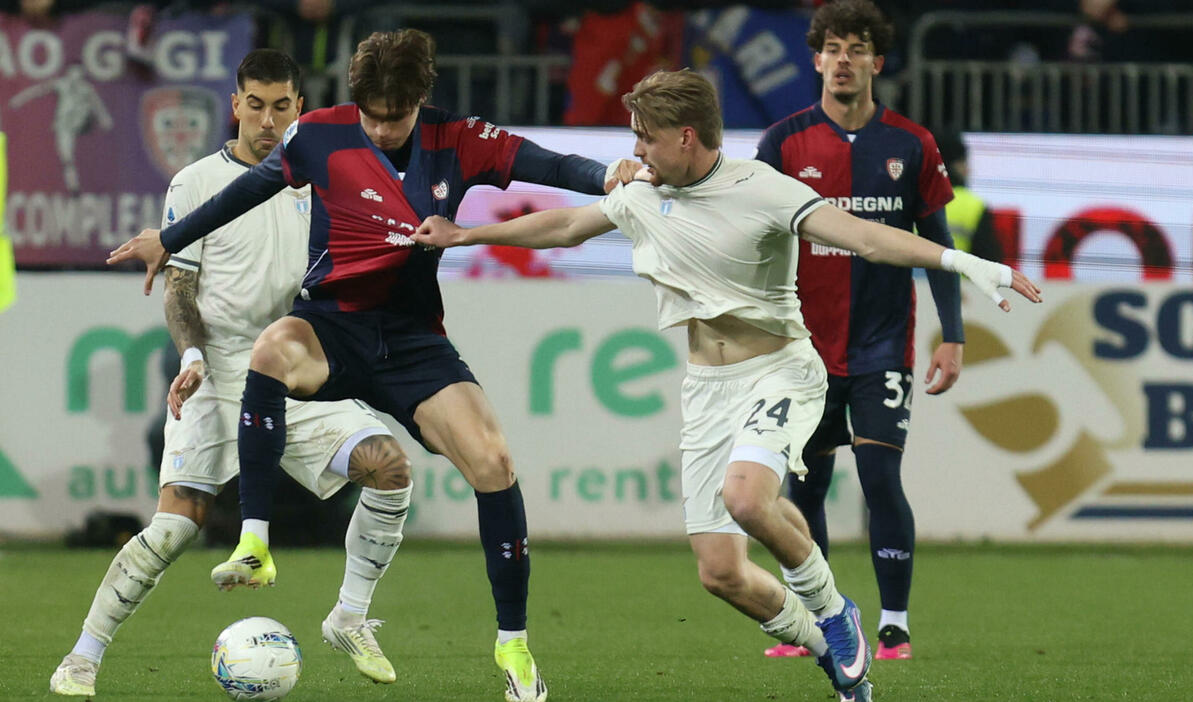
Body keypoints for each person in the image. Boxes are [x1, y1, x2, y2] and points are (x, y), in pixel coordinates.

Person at [410, 69, 1041, 702]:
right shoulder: (641, 193)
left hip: (780, 371)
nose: (635, 152)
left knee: (746, 498)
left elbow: (865, 238)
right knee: (721, 573)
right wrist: (466, 235)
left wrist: (963, 261)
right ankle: (832, 656)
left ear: (686, 137)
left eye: (645, 138)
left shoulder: (761, 188)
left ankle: (832, 610)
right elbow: (566, 227)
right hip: (707, 389)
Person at [106, 29, 640, 702]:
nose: (384, 129)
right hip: (330, 325)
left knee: (495, 464)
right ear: (355, 102)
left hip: (413, 340)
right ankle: (255, 540)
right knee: (271, 350)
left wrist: (604, 174)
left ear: (422, 100)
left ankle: (513, 645)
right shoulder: (321, 136)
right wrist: (170, 237)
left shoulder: (458, 140)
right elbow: (240, 195)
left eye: (398, 115)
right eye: (374, 115)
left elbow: (544, 162)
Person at [51, 49, 413, 697]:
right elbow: (179, 291)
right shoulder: (194, 183)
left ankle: (349, 616)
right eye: (256, 104)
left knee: (389, 466)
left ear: (300, 107)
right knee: (171, 530)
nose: (268, 120)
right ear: (236, 104)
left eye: (282, 106)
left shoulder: (321, 180)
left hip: (295, 370)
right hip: (216, 376)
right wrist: (191, 356)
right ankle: (81, 658)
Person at [755, 0, 959, 661]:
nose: (844, 60)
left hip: (881, 347)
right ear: (815, 60)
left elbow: (940, 245)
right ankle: (821, 617)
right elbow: (757, 238)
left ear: (877, 60)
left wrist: (951, 334)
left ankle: (894, 621)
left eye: (857, 49)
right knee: (804, 486)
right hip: (802, 351)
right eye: (833, 48)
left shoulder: (910, 144)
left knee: (879, 479)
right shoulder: (783, 143)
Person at [934, 128, 1006, 264]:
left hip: (913, 284)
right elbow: (991, 263)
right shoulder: (973, 206)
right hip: (959, 284)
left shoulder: (909, 200)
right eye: (964, 162)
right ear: (954, 165)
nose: (968, 170)